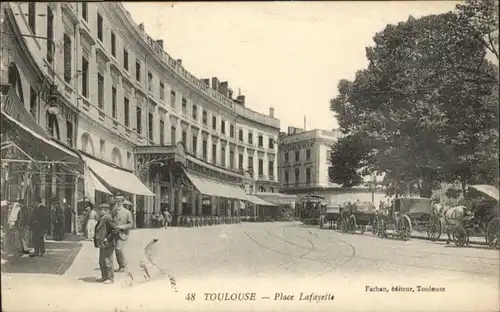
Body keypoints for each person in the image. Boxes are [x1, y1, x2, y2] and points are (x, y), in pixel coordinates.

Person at [94, 203, 119, 284]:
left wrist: (107, 238)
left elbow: (115, 230)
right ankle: (104, 277)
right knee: (102, 261)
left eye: (100, 210)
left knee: (108, 260)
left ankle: (110, 278)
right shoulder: (102, 218)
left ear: (105, 210)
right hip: (102, 243)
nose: (99, 211)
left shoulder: (108, 218)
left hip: (108, 243)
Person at [112, 195, 134, 273]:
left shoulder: (127, 212)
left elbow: (131, 224)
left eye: (119, 201)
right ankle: (121, 265)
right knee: (116, 250)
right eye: (116, 201)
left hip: (123, 234)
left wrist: (121, 226)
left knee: (118, 249)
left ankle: (122, 265)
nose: (117, 203)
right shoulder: (113, 211)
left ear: (122, 202)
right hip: (114, 233)